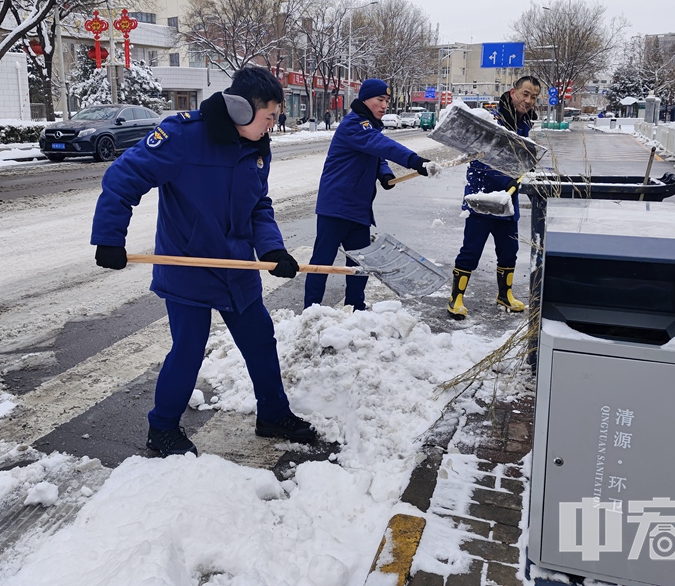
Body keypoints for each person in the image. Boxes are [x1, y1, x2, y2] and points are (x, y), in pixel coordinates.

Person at [91, 66, 316, 457]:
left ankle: (273, 415)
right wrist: (110, 238)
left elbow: (258, 205)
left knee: (261, 340)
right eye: (269, 118)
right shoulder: (182, 136)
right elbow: (122, 177)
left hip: (237, 267)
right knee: (189, 348)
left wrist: (273, 250)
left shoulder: (256, 147)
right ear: (242, 110)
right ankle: (161, 428)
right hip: (187, 264)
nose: (271, 127)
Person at [304, 78, 436, 311]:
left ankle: (356, 309)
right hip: (336, 207)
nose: (384, 105)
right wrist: (414, 161)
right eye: (380, 100)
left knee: (359, 265)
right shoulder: (354, 124)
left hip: (358, 209)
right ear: (365, 99)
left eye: (387, 101)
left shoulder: (369, 126)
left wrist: (384, 174)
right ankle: (311, 310)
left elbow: (377, 155)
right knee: (322, 262)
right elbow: (380, 145)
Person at [448, 76, 541, 319]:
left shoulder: (524, 126)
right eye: (525, 94)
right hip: (483, 197)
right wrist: (506, 178)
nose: (529, 100)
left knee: (509, 250)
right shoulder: (493, 121)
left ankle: (504, 294)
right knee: (471, 250)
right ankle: (455, 299)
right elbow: (478, 160)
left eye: (533, 96)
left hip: (508, 202)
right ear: (513, 93)